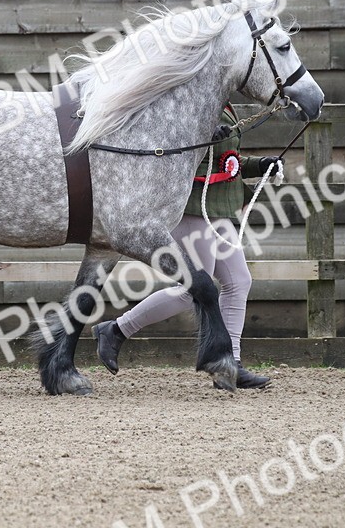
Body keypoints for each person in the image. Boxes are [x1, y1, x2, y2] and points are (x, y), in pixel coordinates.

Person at [92, 103, 276, 389]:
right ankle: (116, 330)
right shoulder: (184, 101)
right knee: (193, 290)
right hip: (191, 206)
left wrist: (258, 165)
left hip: (219, 207)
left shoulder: (222, 103)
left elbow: (228, 160)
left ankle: (231, 364)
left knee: (239, 281)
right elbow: (169, 150)